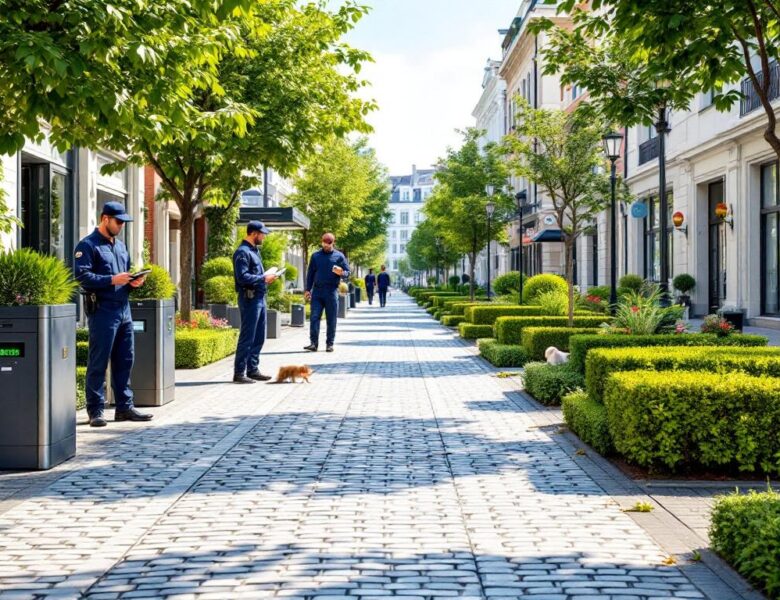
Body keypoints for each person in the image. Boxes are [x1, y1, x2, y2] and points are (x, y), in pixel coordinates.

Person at [74, 202, 153, 427]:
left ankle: (124, 408)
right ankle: (96, 410)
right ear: (104, 218)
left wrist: (134, 282)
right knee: (98, 361)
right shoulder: (88, 245)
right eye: (118, 221)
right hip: (102, 310)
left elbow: (124, 279)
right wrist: (111, 280)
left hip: (124, 309)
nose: (121, 226)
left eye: (123, 223)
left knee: (125, 360)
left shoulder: (121, 247)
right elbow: (82, 277)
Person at [232, 221, 278, 384]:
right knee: (248, 336)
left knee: (259, 336)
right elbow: (242, 277)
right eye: (262, 234)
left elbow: (255, 275)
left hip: (259, 296)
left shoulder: (254, 251)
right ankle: (239, 373)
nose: (264, 237)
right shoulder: (242, 252)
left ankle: (252, 369)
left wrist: (265, 279)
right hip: (249, 298)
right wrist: (263, 278)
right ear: (253, 233)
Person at [303, 233, 350, 352]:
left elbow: (348, 273)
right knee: (314, 317)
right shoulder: (315, 256)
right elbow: (310, 274)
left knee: (331, 318)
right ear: (322, 242)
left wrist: (342, 273)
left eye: (328, 243)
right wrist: (308, 289)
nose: (326, 245)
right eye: (324, 243)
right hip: (317, 291)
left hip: (331, 291)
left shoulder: (339, 256)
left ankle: (330, 344)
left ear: (333, 243)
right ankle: (313, 343)